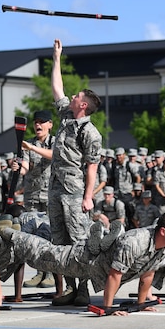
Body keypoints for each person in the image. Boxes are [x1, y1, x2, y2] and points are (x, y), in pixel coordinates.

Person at [0, 212, 165, 314]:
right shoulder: (135, 241)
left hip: (96, 268)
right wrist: (108, 308)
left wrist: (142, 304)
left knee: (40, 255)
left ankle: (15, 234)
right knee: (41, 255)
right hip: (84, 260)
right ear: (162, 231)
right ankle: (6, 232)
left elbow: (147, 275)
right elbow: (114, 275)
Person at [47, 38, 103, 307]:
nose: (73, 96)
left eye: (78, 96)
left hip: (74, 188)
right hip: (56, 184)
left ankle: (83, 289)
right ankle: (70, 287)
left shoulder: (90, 133)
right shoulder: (66, 117)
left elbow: (92, 166)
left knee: (79, 238)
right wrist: (57, 57)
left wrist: (88, 196)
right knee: (59, 239)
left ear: (84, 105)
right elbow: (57, 88)